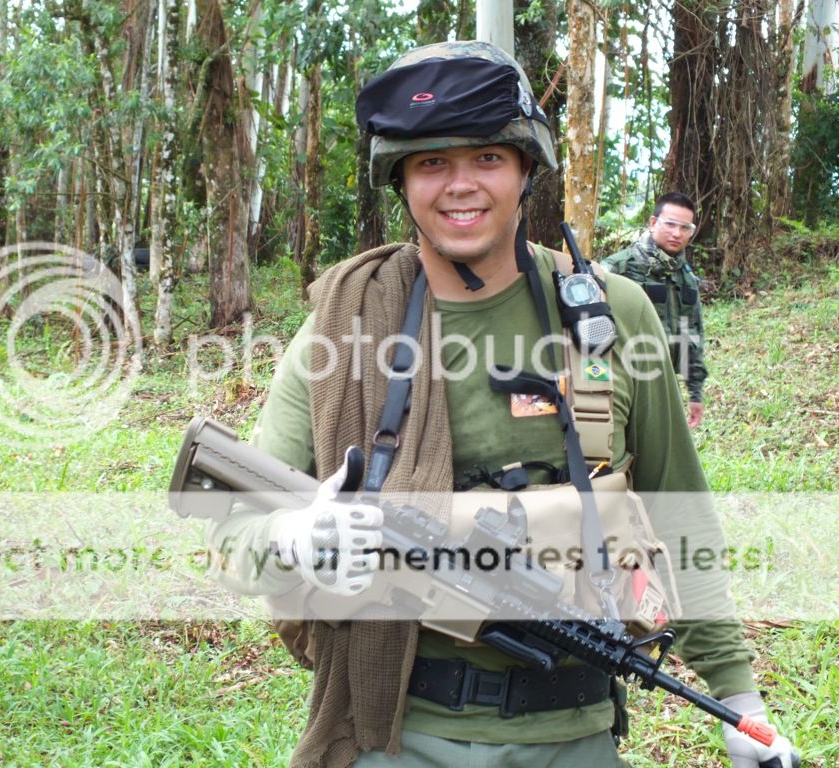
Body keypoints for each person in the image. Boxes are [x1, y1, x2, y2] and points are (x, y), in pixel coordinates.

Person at [208, 42, 793, 768]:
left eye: (487, 158)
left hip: (575, 733)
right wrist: (298, 539)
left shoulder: (615, 314)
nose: (461, 186)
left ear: (525, 170)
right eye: (431, 164)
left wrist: (739, 700)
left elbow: (680, 512)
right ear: (401, 182)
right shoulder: (347, 323)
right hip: (395, 730)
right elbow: (236, 531)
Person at [602, 193, 708, 428]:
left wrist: (695, 392)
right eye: (669, 224)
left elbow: (692, 336)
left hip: (662, 387)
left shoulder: (686, 278)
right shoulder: (615, 268)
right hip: (618, 384)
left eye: (685, 227)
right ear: (653, 223)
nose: (677, 233)